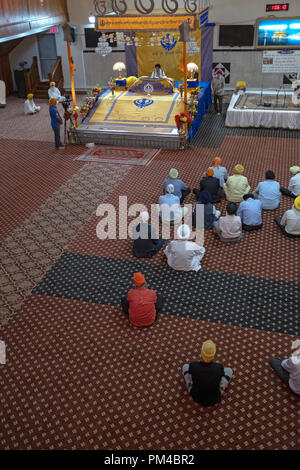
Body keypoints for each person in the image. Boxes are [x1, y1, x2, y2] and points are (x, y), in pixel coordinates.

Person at [182, 340, 233, 407]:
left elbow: (190, 371)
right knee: (229, 370)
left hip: (196, 397)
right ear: (213, 355)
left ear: (201, 353)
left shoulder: (193, 365)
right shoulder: (218, 367)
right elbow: (222, 373)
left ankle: (190, 384)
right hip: (215, 398)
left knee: (185, 366)